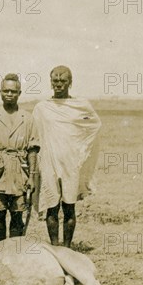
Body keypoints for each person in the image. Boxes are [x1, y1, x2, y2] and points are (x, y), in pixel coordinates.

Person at [33, 65, 101, 249]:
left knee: (69, 206)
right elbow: (35, 135)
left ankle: (68, 247)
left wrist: (81, 149)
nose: (59, 84)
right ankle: (55, 247)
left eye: (63, 81)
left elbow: (94, 125)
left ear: (70, 83)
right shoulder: (42, 108)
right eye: (55, 81)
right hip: (49, 162)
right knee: (51, 206)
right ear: (51, 82)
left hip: (71, 162)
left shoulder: (80, 105)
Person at [0, 74, 39, 242]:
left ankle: (14, 253)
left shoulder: (28, 118)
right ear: (0, 92)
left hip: (20, 172)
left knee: (17, 215)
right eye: (6, 91)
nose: (9, 94)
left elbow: (33, 150)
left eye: (13, 91)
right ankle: (0, 251)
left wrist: (32, 177)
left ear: (19, 93)